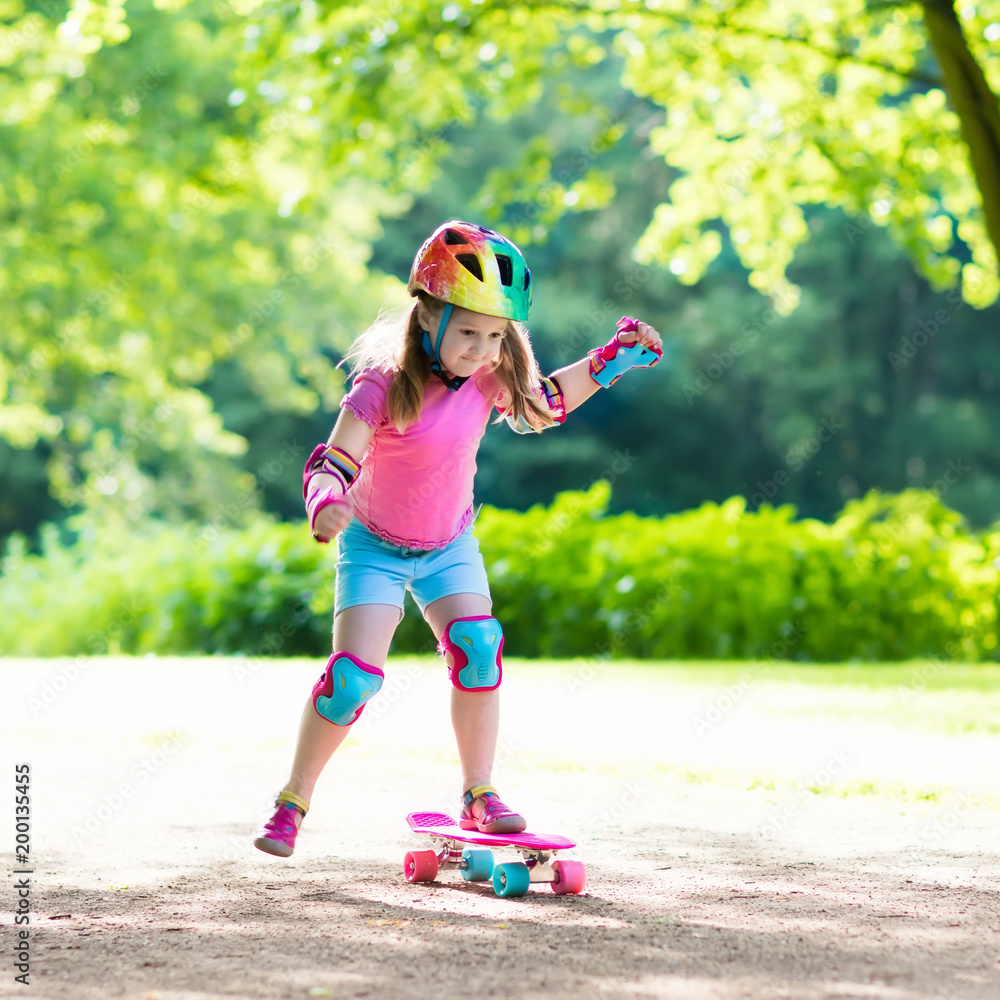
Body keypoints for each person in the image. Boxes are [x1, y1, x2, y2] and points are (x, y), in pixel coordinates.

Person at [254, 220, 663, 857]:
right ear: (427, 319)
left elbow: (543, 408)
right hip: (374, 547)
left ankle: (478, 794)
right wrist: (326, 502)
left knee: (478, 648)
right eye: (468, 332)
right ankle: (292, 800)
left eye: (496, 335)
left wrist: (609, 360)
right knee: (353, 679)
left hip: (448, 546)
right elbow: (332, 461)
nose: (481, 348)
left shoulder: (487, 377)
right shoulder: (382, 385)